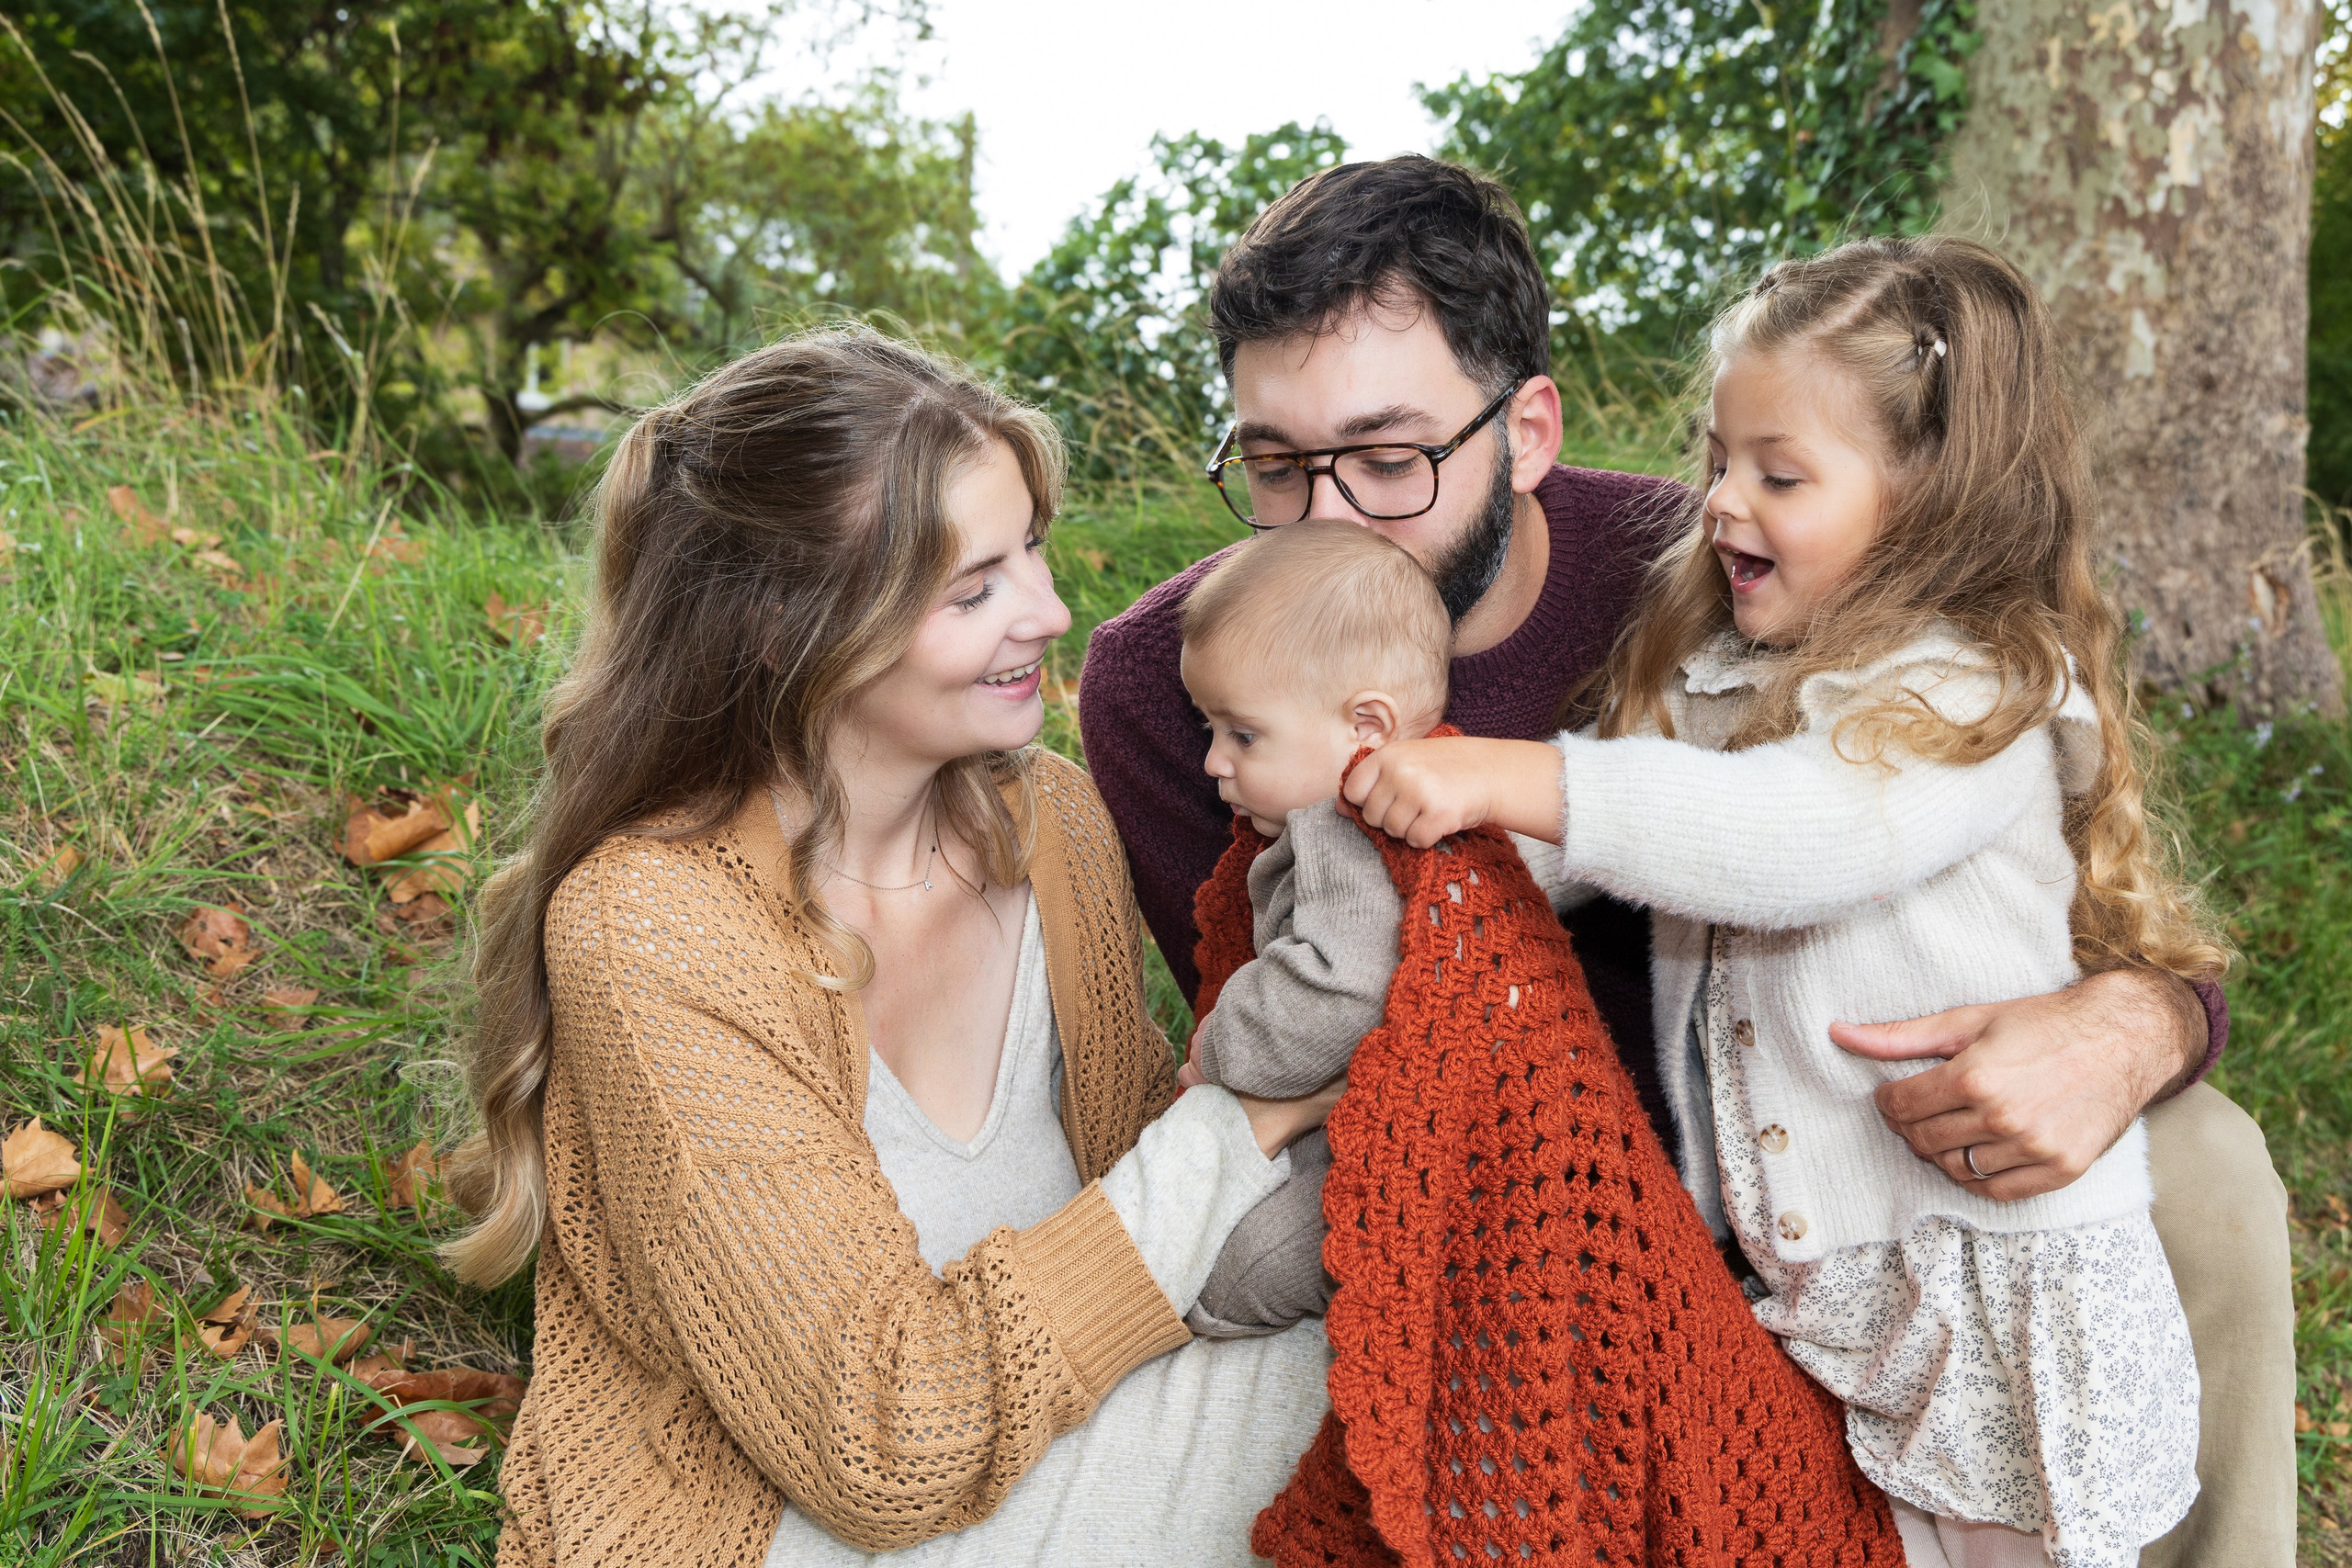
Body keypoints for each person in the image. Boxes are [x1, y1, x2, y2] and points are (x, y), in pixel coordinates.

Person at [1076, 156, 2296, 1566]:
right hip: (1558, 1184)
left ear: (1526, 428)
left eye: (1389, 455)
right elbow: (1315, 1027)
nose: (1328, 519)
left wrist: (2141, 1021)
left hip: (1860, 1148)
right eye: (1276, 465)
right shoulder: (1179, 678)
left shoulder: (1715, 565)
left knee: (2205, 1166)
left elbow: (1864, 836)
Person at [1341, 235, 2209, 1566]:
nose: (1725, 504)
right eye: (1718, 459)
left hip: (1985, 1282)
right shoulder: (1724, 676)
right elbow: (1597, 859)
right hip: (1826, 1289)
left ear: (1927, 495)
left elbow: (1792, 836)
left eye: (1780, 473)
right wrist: (1420, 864)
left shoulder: (1968, 693)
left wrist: (1504, 774)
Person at [442, 327, 1341, 1567]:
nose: (1049, 607)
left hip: (1047, 1436)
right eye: (973, 588)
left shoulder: (1055, 821)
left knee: (1430, 1308)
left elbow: (1131, 1173)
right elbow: (884, 1441)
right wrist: (1247, 1116)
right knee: (1388, 1379)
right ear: (787, 629)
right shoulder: (653, 919)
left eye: (1029, 544)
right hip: (792, 1518)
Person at [1170, 522, 1457, 1337]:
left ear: (1366, 728)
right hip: (1367, 1117)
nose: (1214, 762)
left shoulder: (1346, 830)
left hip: (1408, 1156)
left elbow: (1338, 986)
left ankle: (1213, 1335)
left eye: (1243, 734)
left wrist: (1220, 1050)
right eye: (1210, 731)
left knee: (1233, 1270)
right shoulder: (1379, 807)